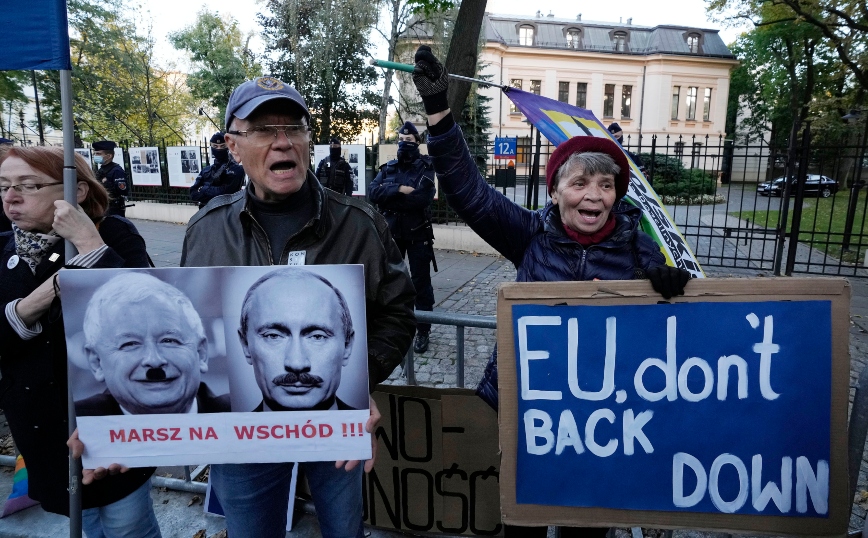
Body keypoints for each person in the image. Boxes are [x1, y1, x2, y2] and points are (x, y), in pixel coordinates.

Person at [411, 45, 692, 538]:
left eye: (606, 185)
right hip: (526, 414)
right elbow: (470, 191)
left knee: (586, 528)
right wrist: (439, 112)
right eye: (580, 182)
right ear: (556, 190)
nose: (594, 195)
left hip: (601, 424)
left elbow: (674, 343)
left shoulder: (641, 251)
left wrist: (670, 290)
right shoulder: (530, 235)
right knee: (521, 522)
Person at [179, 76, 416, 537]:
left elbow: (398, 311)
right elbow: (194, 332)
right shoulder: (205, 230)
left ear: (308, 138)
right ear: (233, 145)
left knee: (343, 529)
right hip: (242, 438)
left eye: (294, 126)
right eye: (265, 129)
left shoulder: (359, 223)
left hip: (333, 429)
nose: (283, 141)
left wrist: (359, 376)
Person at [0, 146, 160, 537]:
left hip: (108, 421)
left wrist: (89, 246)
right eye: (4, 186)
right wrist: (46, 293)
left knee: (127, 524)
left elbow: (145, 313)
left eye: (29, 185)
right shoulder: (3, 247)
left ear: (78, 191)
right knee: (82, 521)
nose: (11, 197)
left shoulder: (112, 234)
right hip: (42, 428)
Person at [75, 272, 230, 416]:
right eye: (130, 344)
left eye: (169, 340)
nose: (154, 361)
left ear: (201, 353)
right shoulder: (73, 422)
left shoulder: (240, 414)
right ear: (97, 363)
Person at [238, 269, 358, 411]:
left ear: (347, 346)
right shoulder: (225, 431)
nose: (296, 363)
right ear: (246, 345)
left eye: (317, 336)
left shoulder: (366, 430)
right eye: (273, 336)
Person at [369, 121, 436, 354]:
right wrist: (398, 190)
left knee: (420, 283)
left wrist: (392, 196)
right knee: (389, 281)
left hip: (418, 234)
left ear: (417, 142)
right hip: (393, 234)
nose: (404, 143)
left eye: (408, 140)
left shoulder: (426, 167)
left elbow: (422, 198)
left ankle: (423, 329)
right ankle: (388, 326)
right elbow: (373, 192)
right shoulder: (388, 168)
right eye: (401, 139)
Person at [190, 132, 245, 208]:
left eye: (222, 146)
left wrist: (203, 188)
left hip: (226, 215)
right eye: (215, 146)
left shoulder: (236, 169)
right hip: (205, 215)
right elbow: (193, 194)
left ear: (228, 146)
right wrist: (215, 191)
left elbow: (226, 195)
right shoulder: (206, 170)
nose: (219, 149)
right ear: (211, 147)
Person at [92, 140, 129, 217]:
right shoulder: (101, 170)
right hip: (102, 207)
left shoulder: (116, 171)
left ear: (109, 156)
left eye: (98, 154)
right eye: (95, 154)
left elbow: (122, 190)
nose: (96, 156)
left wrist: (105, 183)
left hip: (114, 208)